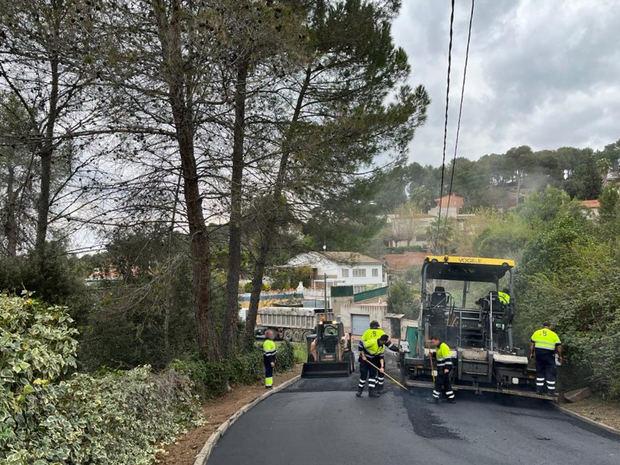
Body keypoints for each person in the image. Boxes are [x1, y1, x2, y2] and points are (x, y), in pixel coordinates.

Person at [530, 322, 562, 396]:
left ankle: (539, 390)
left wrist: (531, 353)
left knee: (539, 372)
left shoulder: (537, 333)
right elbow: (559, 346)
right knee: (550, 372)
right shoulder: (553, 334)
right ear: (549, 326)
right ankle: (550, 392)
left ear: (543, 326)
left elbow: (532, 345)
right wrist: (560, 356)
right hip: (549, 355)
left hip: (539, 355)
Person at [429, 335, 455, 403]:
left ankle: (435, 398)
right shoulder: (438, 347)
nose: (433, 344)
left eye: (433, 342)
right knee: (446, 383)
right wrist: (433, 354)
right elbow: (439, 356)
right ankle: (451, 398)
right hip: (441, 368)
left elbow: (447, 358)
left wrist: (447, 368)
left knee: (438, 383)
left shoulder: (443, 346)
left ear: (437, 340)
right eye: (432, 342)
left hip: (444, 368)